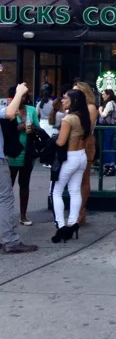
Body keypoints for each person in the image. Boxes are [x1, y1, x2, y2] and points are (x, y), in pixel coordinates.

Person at [0, 83, 38, 253]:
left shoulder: (29, 109)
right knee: (5, 198)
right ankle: (10, 240)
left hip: (17, 154)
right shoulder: (13, 102)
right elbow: (9, 113)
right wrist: (19, 91)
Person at [51, 90, 91, 243]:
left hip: (69, 157)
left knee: (57, 192)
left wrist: (51, 141)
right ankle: (73, 223)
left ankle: (61, 226)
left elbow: (61, 142)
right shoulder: (84, 117)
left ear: (73, 101)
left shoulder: (68, 119)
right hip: (81, 156)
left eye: (65, 98)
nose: (62, 100)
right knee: (75, 191)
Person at [7, 86, 40, 226]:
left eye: (25, 96)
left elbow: (38, 128)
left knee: (24, 185)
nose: (23, 98)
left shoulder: (31, 110)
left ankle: (23, 216)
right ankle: (6, 218)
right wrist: (16, 128)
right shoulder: (8, 109)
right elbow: (4, 130)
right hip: (12, 153)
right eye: (21, 95)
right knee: (8, 186)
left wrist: (32, 128)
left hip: (27, 152)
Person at [73, 83, 99, 225]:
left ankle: (81, 211)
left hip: (85, 142)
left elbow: (86, 128)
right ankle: (76, 210)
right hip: (72, 143)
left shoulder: (90, 108)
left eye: (76, 91)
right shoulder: (73, 108)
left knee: (84, 178)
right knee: (73, 179)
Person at [98, 89, 116, 176]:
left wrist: (100, 110)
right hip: (110, 127)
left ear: (108, 95)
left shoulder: (110, 104)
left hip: (108, 127)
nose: (102, 96)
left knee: (107, 146)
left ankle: (111, 165)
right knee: (108, 146)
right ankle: (108, 165)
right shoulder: (113, 103)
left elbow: (103, 115)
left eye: (104, 94)